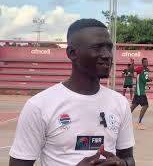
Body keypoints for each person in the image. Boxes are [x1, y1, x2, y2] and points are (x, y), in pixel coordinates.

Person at [9, 19, 135, 166]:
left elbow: (129, 159)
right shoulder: (39, 106)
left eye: (109, 48)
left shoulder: (119, 103)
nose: (107, 55)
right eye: (97, 47)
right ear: (72, 53)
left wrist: (121, 164)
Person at [131, 58, 152, 130]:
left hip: (140, 90)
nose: (146, 63)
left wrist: (149, 80)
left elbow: (145, 78)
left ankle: (123, 118)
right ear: (142, 63)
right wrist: (132, 63)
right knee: (145, 105)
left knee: (133, 106)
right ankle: (139, 122)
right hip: (140, 91)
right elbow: (132, 70)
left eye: (147, 62)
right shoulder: (140, 68)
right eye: (145, 62)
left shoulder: (147, 70)